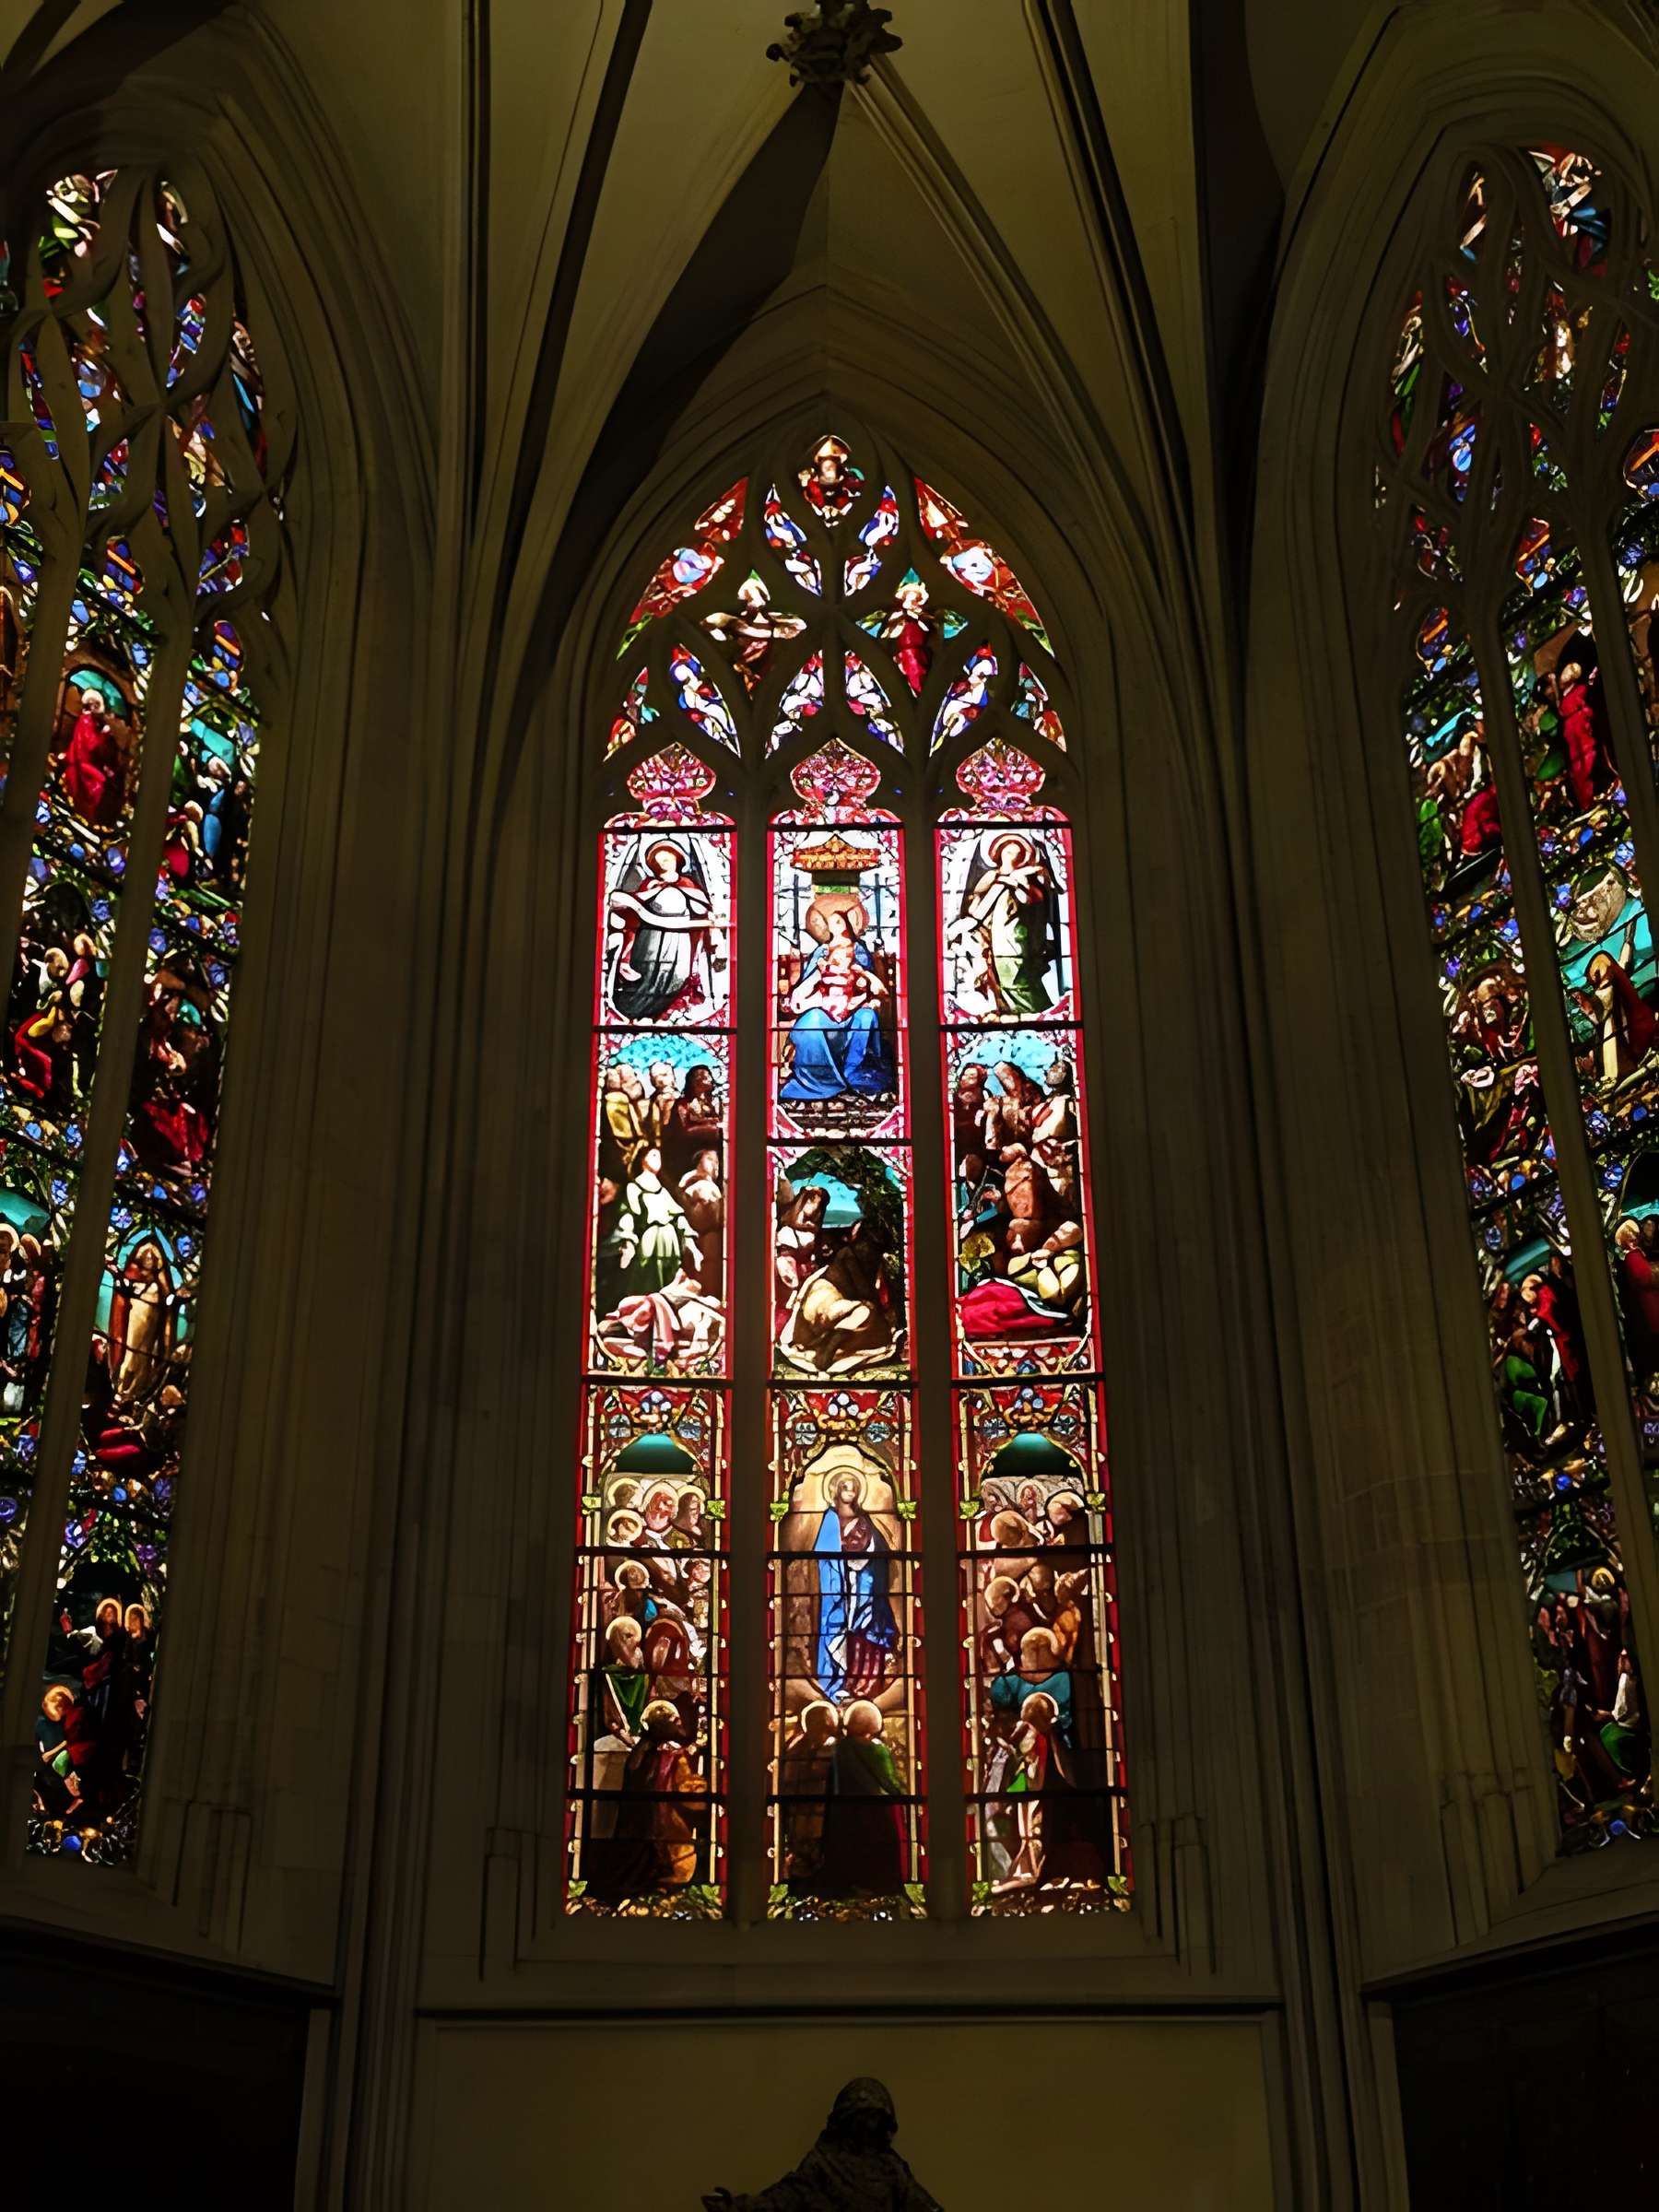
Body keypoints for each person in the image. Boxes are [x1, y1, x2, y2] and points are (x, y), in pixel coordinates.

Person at [702, 2076, 941, 2212]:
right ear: (848, 2120)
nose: (869, 2125)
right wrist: (735, 2207)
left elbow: (923, 2207)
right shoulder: (823, 2165)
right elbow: (781, 2200)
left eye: (875, 2118)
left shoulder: (890, 2169)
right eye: (864, 2117)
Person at [779, 908, 894, 1107]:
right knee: (811, 1022)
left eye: (839, 921)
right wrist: (819, 974)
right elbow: (800, 994)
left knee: (867, 1018)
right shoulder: (821, 953)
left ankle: (856, 1075)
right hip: (823, 1012)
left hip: (852, 1013)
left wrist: (866, 989)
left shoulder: (859, 952)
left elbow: (876, 990)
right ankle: (819, 1082)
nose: (835, 927)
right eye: (830, 923)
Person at [948, 832, 1059, 1018]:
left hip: (1018, 938)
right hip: (996, 937)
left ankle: (1031, 1013)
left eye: (1017, 852)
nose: (1012, 856)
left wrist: (1020, 880)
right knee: (1001, 976)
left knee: (1019, 977)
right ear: (999, 853)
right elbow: (978, 904)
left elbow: (1032, 901)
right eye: (1008, 851)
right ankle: (1005, 1009)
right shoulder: (993, 877)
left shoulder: (1026, 880)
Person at [606, 838, 717, 1023]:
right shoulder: (649, 885)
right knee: (648, 976)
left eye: (668, 858)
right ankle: (640, 1012)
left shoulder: (689, 885)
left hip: (680, 940)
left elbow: (703, 911)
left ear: (678, 860)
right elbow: (627, 906)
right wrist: (652, 892)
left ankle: (671, 1011)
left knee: (678, 975)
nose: (664, 862)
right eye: (660, 860)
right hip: (651, 939)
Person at [813, 1472, 898, 1700]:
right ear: (836, 1491)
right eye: (845, 1487)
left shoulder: (864, 1520)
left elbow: (878, 1551)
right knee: (838, 1630)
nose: (850, 1492)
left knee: (865, 1629)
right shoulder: (829, 1519)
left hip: (863, 1586)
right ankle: (838, 1681)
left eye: (853, 1488)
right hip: (838, 1587)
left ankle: (862, 1685)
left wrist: (865, 1554)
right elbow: (822, 1553)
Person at [817, 1700, 906, 1896]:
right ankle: (880, 1890)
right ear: (873, 1723)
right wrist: (903, 1795)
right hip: (876, 1810)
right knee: (875, 1851)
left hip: (843, 1812)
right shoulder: (877, 1749)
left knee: (848, 1850)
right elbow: (889, 1780)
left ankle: (848, 1888)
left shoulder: (840, 1749)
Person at [59, 684, 125, 827]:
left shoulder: (92, 721)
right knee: (97, 788)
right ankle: (90, 820)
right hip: (83, 765)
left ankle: (92, 819)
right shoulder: (86, 720)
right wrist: (104, 735)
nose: (95, 707)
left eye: (97, 704)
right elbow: (91, 745)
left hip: (88, 763)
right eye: (92, 704)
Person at [1616, 1217, 1659, 1377]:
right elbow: (1645, 1278)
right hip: (1652, 1312)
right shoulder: (1633, 1257)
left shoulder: (1637, 1255)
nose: (1633, 1236)